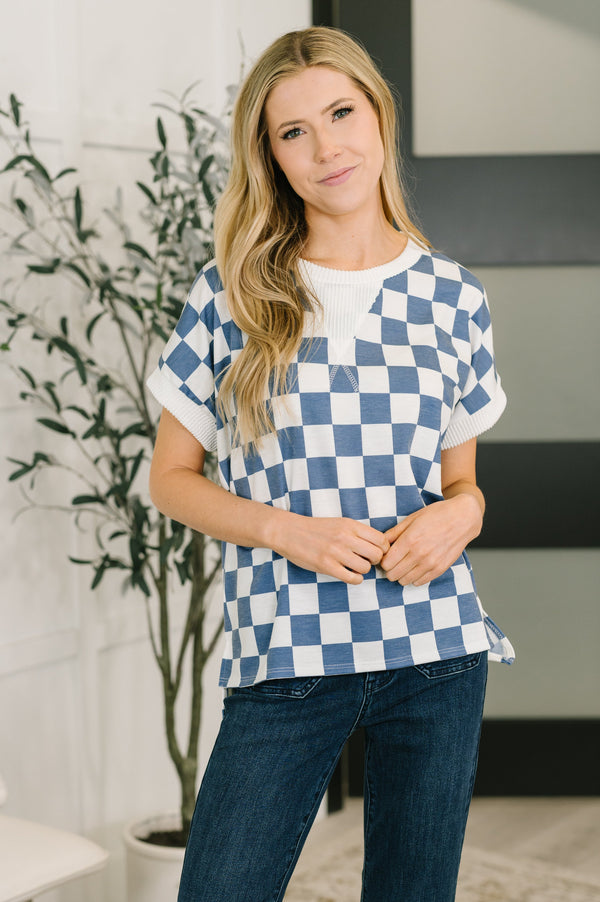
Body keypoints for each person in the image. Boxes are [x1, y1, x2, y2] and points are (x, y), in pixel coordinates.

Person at [147, 25, 514, 902]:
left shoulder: (455, 297)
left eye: (342, 113)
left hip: (434, 651)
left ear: (379, 115)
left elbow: (461, 485)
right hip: (288, 653)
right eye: (294, 131)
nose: (327, 148)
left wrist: (464, 513)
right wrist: (287, 532)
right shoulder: (231, 294)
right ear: (271, 157)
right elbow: (170, 479)